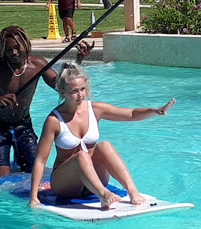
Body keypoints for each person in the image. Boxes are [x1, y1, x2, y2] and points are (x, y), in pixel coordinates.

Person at [28, 63, 175, 210]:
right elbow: (40, 160)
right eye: (74, 91)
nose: (80, 95)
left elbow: (131, 114)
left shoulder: (95, 109)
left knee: (105, 146)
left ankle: (132, 191)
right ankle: (103, 194)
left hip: (93, 181)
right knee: (81, 156)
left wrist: (154, 110)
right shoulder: (54, 120)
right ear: (62, 92)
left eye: (82, 89)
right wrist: (33, 197)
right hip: (66, 185)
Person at [0, 25, 92, 178]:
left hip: (23, 125)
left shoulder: (38, 64)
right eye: (8, 50)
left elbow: (62, 85)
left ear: (26, 45)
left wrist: (78, 60)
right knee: (2, 180)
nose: (14, 53)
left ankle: (13, 156)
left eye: (17, 48)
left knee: (34, 173)